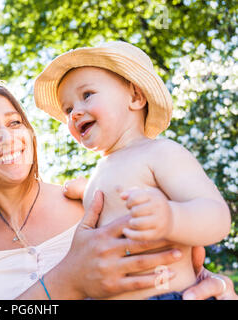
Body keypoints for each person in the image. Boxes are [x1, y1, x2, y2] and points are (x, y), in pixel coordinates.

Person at [0, 81, 237, 300]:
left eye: (15, 123)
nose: (7, 138)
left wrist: (215, 285)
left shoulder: (89, 200)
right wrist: (62, 283)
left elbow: (170, 266)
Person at [33, 41, 231, 300]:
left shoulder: (160, 152)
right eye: (68, 109)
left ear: (136, 97)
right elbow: (113, 204)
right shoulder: (102, 171)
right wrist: (84, 191)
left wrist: (171, 219)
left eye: (87, 94)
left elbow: (217, 217)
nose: (75, 113)